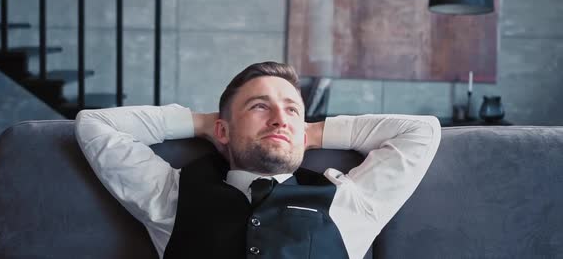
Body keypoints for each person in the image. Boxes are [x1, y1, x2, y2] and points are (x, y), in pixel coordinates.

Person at [75, 61, 441, 259]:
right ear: (222, 131)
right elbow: (96, 124)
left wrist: (307, 132)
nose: (280, 118)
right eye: (259, 106)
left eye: (292, 110)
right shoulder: (171, 196)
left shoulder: (349, 204)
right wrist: (205, 123)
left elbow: (420, 132)